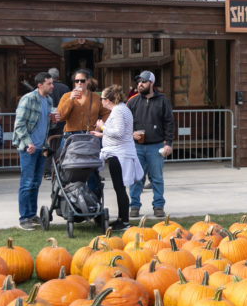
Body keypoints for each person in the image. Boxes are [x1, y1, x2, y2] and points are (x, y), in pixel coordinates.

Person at [91, 84, 143, 230]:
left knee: (119, 188)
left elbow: (119, 132)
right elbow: (122, 133)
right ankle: (121, 218)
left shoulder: (119, 110)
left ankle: (124, 221)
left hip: (119, 155)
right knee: (119, 188)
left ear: (108, 100)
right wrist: (102, 134)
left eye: (102, 98)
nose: (101, 101)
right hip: (119, 152)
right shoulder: (120, 109)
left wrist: (102, 127)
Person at [127, 70, 174, 218]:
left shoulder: (162, 101)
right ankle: (134, 206)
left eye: (144, 81)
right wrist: (131, 134)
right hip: (137, 147)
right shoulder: (132, 101)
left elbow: (169, 123)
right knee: (136, 178)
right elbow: (124, 123)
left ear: (152, 83)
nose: (140, 84)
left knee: (157, 178)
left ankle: (158, 206)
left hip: (156, 145)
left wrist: (168, 143)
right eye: (139, 81)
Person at [12, 71, 55, 230]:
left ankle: (31, 214)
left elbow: (44, 124)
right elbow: (19, 125)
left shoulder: (48, 100)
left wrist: (53, 120)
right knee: (27, 183)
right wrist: (28, 143)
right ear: (40, 85)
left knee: (36, 183)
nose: (52, 86)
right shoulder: (28, 99)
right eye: (49, 83)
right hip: (28, 148)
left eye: (52, 83)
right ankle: (24, 218)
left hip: (41, 148)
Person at [56, 70, 109, 139]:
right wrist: (70, 99)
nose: (79, 83)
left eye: (82, 81)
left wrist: (100, 126)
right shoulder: (66, 96)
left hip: (90, 134)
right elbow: (60, 117)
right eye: (77, 81)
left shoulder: (95, 97)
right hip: (71, 135)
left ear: (88, 81)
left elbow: (106, 113)